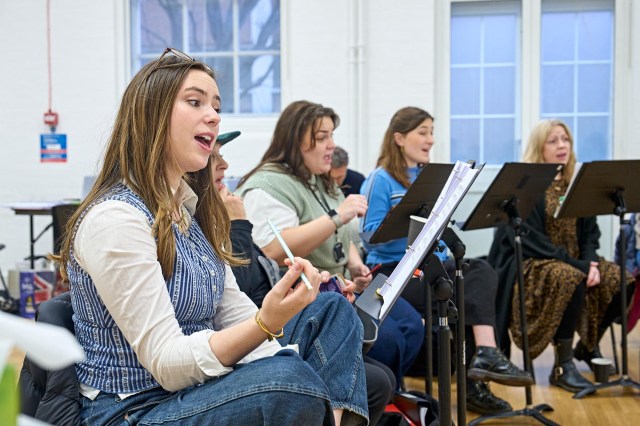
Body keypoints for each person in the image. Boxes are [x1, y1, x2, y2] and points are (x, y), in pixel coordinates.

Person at [53, 49, 368, 425]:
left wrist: (278, 324)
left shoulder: (187, 213)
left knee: (333, 312)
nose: (215, 116)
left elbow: (236, 313)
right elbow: (167, 365)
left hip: (195, 389)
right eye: (195, 101)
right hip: (135, 407)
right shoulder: (116, 219)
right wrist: (269, 327)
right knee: (289, 380)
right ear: (151, 114)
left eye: (216, 105)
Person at [211, 130, 395, 425]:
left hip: (264, 325)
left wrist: (312, 290)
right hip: (250, 336)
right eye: (214, 156)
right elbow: (241, 291)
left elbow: (256, 285)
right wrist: (239, 225)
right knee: (378, 373)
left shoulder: (219, 209)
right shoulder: (242, 204)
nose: (225, 165)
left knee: (374, 359)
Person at [236, 100, 424, 388]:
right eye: (321, 137)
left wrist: (355, 263)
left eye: (331, 135)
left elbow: (342, 237)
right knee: (388, 341)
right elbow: (272, 249)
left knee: (411, 329)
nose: (331, 145)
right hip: (312, 299)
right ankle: (377, 401)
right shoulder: (268, 184)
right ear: (294, 141)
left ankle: (387, 401)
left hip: (343, 286)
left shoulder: (319, 180)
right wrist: (338, 215)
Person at [359, 106, 532, 415]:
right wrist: (406, 222)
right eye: (422, 132)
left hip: (429, 263)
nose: (430, 139)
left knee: (476, 271)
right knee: (463, 293)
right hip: (394, 271)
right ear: (399, 138)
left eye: (432, 132)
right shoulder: (380, 179)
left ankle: (487, 356)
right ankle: (477, 380)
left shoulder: (428, 176)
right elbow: (369, 235)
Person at [488, 119, 636, 393]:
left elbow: (591, 233)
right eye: (553, 140)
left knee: (621, 278)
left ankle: (587, 347)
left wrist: (591, 262)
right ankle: (562, 366)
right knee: (568, 276)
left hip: (575, 260)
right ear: (539, 147)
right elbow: (532, 242)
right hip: (534, 263)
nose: (561, 145)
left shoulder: (576, 183)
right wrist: (579, 266)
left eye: (565, 139)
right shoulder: (527, 186)